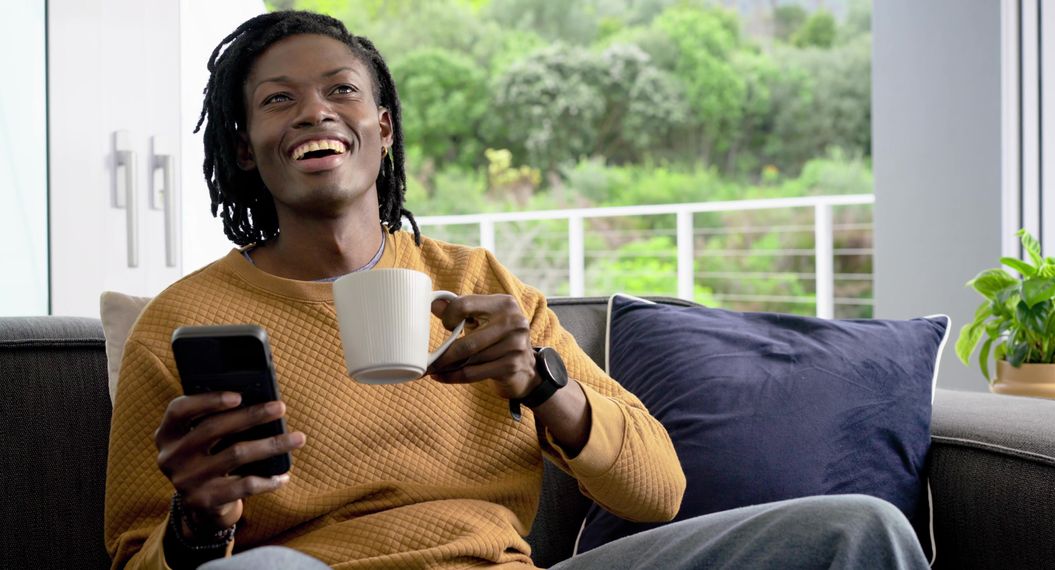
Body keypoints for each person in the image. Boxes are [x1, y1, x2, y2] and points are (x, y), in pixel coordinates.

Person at [103, 11, 930, 570]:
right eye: (278, 101)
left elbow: (658, 491)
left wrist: (542, 382)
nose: (314, 113)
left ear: (382, 130)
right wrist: (200, 520)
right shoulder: (184, 323)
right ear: (247, 149)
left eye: (341, 91)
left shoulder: (482, 287)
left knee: (860, 529)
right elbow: (134, 558)